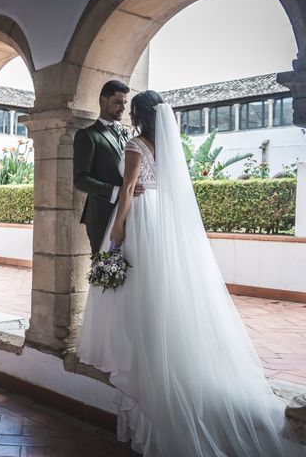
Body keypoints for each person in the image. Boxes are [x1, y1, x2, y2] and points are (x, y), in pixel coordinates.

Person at [78, 90, 304, 456]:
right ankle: (159, 348)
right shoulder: (168, 146)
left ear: (138, 114)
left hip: (141, 218)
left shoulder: (135, 143)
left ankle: (137, 354)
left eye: (130, 108)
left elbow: (131, 186)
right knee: (159, 286)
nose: (127, 112)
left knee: (131, 287)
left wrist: (119, 227)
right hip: (162, 219)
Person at [73, 80, 143, 254]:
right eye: (117, 102)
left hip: (130, 213)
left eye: (124, 103)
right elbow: (80, 180)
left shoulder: (129, 134)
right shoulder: (87, 135)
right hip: (101, 216)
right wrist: (116, 191)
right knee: (104, 272)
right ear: (103, 101)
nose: (122, 108)